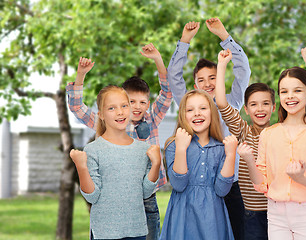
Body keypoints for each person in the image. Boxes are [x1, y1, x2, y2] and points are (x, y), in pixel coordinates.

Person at [66, 43, 171, 240]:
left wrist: (158, 59)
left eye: (141, 102)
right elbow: (77, 107)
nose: (134, 108)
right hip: (110, 202)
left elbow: (166, 93)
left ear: (148, 103)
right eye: (129, 102)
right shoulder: (105, 123)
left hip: (145, 198)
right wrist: (80, 76)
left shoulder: (152, 118)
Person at [215, 47, 306, 239]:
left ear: (273, 107)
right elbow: (221, 103)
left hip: (280, 211)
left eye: (265, 103)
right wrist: (222, 66)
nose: (259, 109)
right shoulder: (243, 132)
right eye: (253, 104)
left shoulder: (282, 132)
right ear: (246, 109)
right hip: (251, 213)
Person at [167, 18, 250, 239]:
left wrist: (224, 36)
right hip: (193, 188)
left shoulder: (231, 103)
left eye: (213, 77)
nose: (208, 84)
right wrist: (184, 41)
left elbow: (243, 70)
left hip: (228, 185)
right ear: (195, 86)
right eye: (201, 80)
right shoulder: (190, 105)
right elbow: (173, 77)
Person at [238, 66, 306, 240]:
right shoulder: (268, 134)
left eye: (297, 90)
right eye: (284, 91)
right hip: (275, 214)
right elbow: (262, 184)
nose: (290, 96)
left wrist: (301, 178)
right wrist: (249, 160)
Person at [70, 85, 161, 240]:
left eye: (124, 106)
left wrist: (156, 164)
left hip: (137, 232)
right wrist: (81, 167)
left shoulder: (143, 149)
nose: (120, 112)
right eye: (112, 108)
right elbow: (92, 196)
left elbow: (146, 192)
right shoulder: (93, 149)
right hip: (104, 233)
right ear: (101, 115)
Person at [160, 90, 238, 240]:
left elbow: (222, 190)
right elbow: (178, 184)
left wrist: (230, 155)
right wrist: (181, 149)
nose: (197, 113)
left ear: (212, 113)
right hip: (182, 215)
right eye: (190, 110)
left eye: (203, 108)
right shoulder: (174, 145)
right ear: (183, 115)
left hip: (212, 218)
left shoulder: (221, 148)